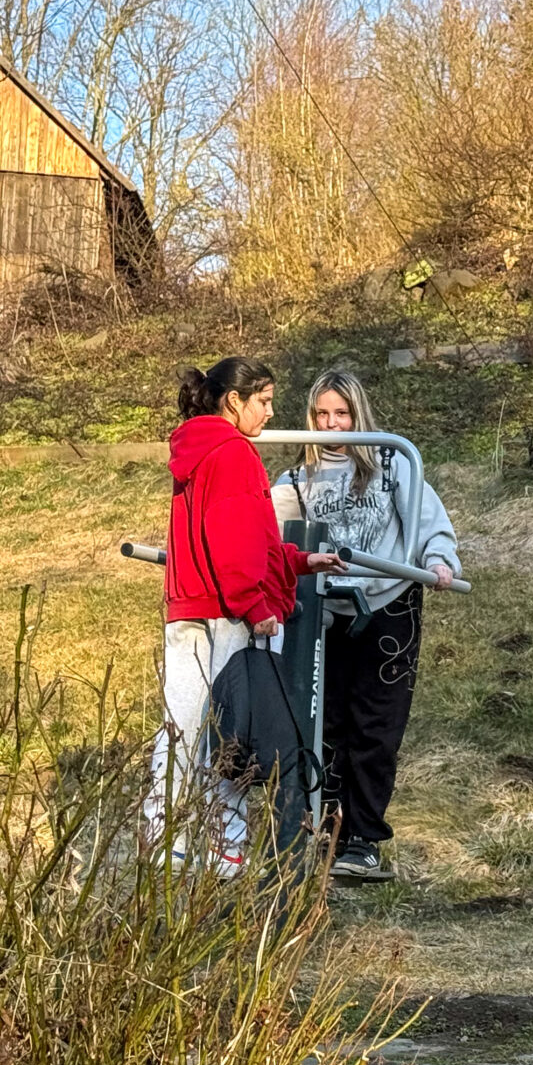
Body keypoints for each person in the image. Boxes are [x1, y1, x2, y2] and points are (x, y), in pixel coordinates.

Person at [148, 355, 343, 874]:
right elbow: (235, 543)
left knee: (182, 727)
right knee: (233, 732)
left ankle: (165, 840)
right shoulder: (234, 452)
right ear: (234, 401)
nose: (270, 412)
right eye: (263, 400)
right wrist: (256, 606)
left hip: (191, 607)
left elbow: (246, 537)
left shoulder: (197, 449)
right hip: (226, 614)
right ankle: (224, 844)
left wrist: (298, 560)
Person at [274, 369, 460, 884]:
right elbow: (268, 533)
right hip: (324, 610)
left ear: (359, 414)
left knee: (375, 726)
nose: (332, 424)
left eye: (342, 413)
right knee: (323, 724)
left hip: (388, 604)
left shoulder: (393, 464)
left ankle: (363, 839)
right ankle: (325, 830)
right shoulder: (295, 481)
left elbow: (430, 524)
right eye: (322, 414)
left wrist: (440, 560)